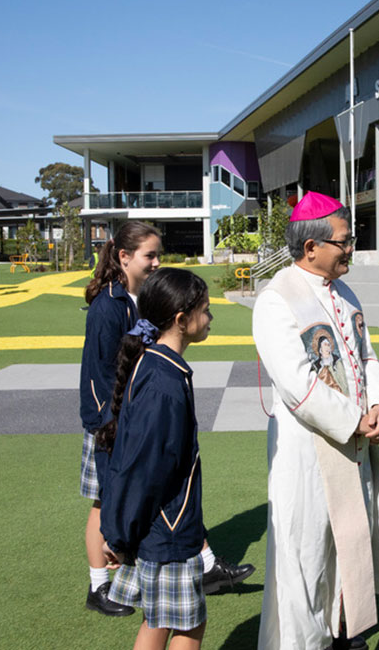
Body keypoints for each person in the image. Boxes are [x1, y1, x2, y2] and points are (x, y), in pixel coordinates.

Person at [79, 221, 252, 618]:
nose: (157, 262)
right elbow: (100, 372)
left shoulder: (142, 298)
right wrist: (110, 419)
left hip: (134, 413)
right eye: (149, 255)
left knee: (144, 492)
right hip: (112, 421)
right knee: (108, 499)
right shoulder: (109, 304)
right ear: (124, 257)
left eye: (159, 255)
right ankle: (99, 584)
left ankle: (200, 564)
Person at [252, 191, 379, 650]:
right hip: (309, 450)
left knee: (350, 542)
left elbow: (366, 356)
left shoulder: (345, 291)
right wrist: (356, 419)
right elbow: (297, 385)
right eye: (344, 241)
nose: (351, 248)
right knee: (306, 556)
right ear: (311, 248)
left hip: (354, 442)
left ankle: (345, 632)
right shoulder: (276, 300)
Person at [99, 267, 214, 650]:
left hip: (158, 526)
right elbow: (144, 470)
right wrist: (119, 534)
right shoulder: (163, 383)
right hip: (166, 528)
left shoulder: (154, 364)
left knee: (159, 618)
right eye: (206, 310)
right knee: (187, 625)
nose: (211, 318)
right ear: (181, 320)